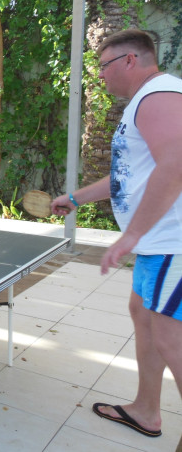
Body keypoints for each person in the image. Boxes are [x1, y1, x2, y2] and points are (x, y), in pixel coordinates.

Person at [51, 29, 182, 438]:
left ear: (130, 60)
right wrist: (76, 197)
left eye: (104, 65)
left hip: (172, 242)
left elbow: (176, 164)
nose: (101, 75)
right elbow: (128, 175)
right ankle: (146, 410)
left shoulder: (159, 95)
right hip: (158, 244)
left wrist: (130, 236)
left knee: (170, 337)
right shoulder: (144, 101)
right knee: (143, 316)